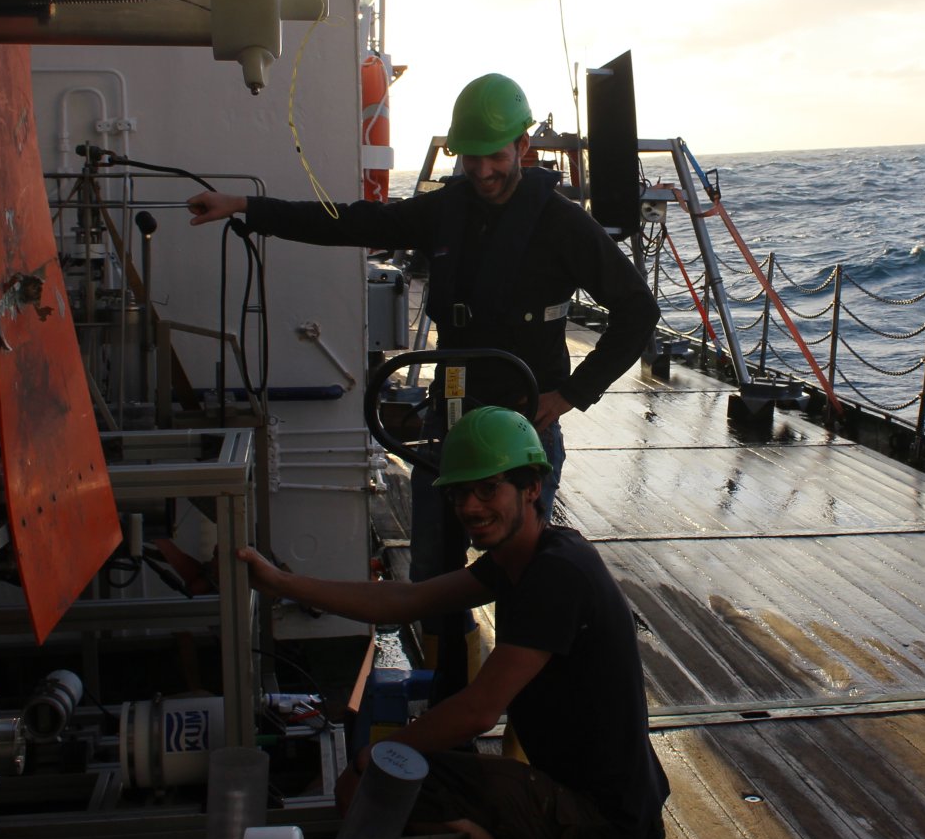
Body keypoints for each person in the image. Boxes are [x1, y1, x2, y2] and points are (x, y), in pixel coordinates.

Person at [186, 71, 660, 520]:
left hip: (525, 421)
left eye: (495, 155)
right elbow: (352, 222)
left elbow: (638, 311)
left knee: (525, 569)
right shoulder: (444, 210)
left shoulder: (564, 225)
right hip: (450, 411)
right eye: (471, 157)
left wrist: (571, 394)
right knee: (433, 559)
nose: (482, 170)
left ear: (522, 146)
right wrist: (247, 207)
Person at [237, 407, 672, 839]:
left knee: (376, 786)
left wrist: (375, 759)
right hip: (611, 797)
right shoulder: (522, 557)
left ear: (532, 489)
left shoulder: (555, 576)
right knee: (399, 777)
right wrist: (283, 582)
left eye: (489, 489)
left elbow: (478, 712)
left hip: (599, 814)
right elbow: (408, 600)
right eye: (461, 492)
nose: (470, 506)